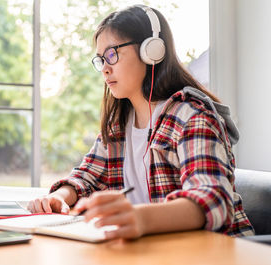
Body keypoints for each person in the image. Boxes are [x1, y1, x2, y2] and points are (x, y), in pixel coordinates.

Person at [28, 4, 254, 239]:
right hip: (158, 251)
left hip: (220, 254)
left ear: (151, 51)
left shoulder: (192, 117)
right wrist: (60, 198)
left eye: (112, 54)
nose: (104, 68)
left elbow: (214, 201)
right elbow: (88, 175)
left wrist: (139, 217)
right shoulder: (120, 124)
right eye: (100, 59)